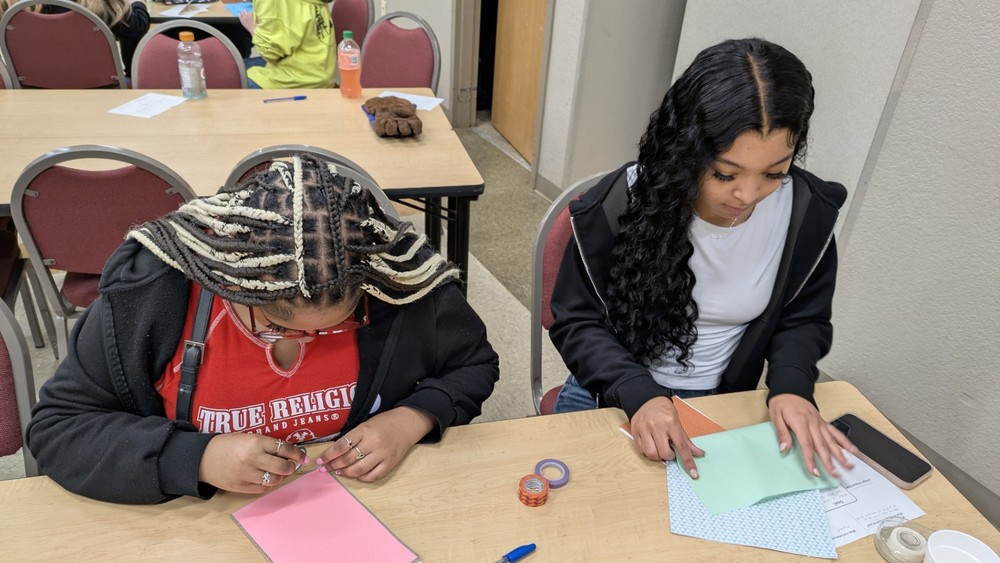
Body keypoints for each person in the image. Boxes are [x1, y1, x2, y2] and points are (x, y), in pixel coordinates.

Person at [26, 154, 500, 504]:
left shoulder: (393, 281)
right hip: (189, 525)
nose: (302, 345)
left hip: (355, 511)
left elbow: (474, 363)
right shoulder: (156, 291)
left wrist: (411, 419)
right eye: (274, 325)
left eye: (337, 326)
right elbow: (57, 429)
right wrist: (195, 457)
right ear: (227, 283)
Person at [548, 38, 857, 481]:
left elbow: (802, 318)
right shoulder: (618, 205)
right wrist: (639, 393)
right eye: (725, 174)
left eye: (774, 173)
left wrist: (791, 386)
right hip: (612, 390)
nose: (748, 196)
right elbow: (577, 321)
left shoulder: (805, 214)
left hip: (724, 399)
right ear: (687, 151)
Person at [0, 0, 150, 78]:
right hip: (99, 89)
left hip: (33, 90)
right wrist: (138, 3)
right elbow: (136, 29)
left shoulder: (12, 5)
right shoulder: (101, 4)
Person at [238, 0, 336, 89]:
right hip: (321, 72)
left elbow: (270, 55)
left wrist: (252, 28)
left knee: (228, 78)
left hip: (299, 79)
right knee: (236, 65)